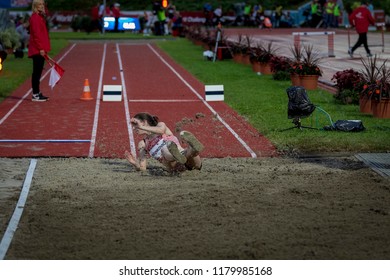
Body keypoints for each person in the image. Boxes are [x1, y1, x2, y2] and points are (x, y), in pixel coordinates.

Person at [124, 112, 204, 173]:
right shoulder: (143, 144)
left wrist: (141, 127)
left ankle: (192, 149)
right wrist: (134, 163)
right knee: (165, 150)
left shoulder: (160, 125)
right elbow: (143, 168)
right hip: (177, 169)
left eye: (135, 124)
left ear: (144, 122)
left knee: (184, 141)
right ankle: (183, 153)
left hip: (191, 162)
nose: (134, 128)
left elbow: (161, 131)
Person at [28, 0, 51, 102]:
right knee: (36, 72)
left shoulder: (40, 17)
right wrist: (41, 48)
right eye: (40, 4)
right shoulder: (35, 18)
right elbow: (36, 35)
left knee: (39, 72)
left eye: (43, 4)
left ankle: (37, 92)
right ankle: (35, 94)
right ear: (36, 6)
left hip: (41, 48)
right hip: (37, 49)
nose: (42, 6)